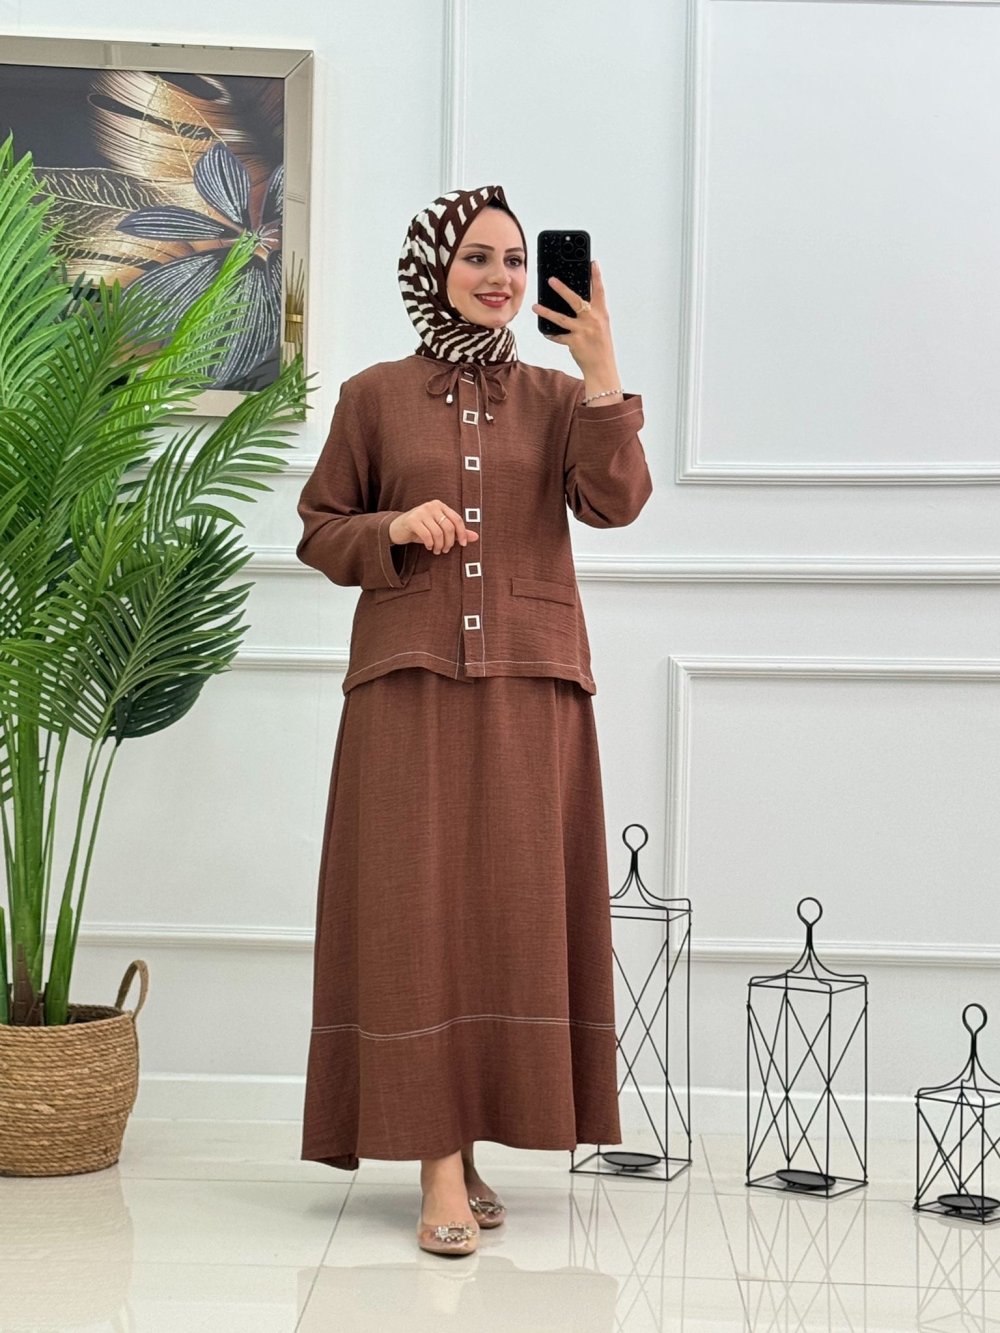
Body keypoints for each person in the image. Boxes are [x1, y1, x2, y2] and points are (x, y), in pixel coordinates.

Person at [296, 184, 652, 1257]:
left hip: (533, 682)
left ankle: (471, 1140)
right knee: (414, 913)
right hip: (404, 681)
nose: (500, 277)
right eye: (477, 258)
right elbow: (320, 529)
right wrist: (394, 526)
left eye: (514, 260)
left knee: (507, 915)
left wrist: (600, 367)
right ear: (433, 271)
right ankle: (437, 1161)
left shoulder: (559, 396)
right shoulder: (372, 396)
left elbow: (617, 501)